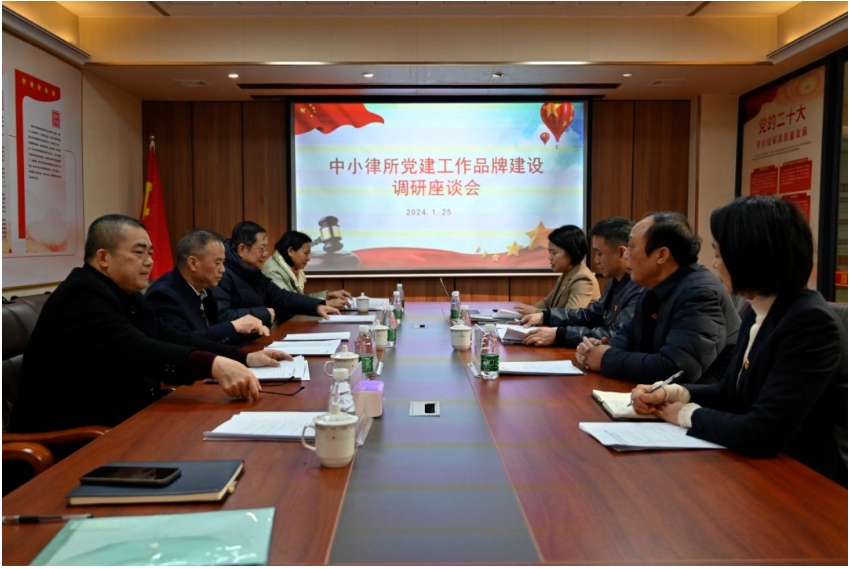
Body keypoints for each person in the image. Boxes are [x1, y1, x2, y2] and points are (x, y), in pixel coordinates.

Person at [631, 197, 847, 486]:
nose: (715, 264)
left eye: (719, 254)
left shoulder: (809, 322)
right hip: (759, 469)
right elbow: (731, 392)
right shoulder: (758, 308)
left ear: (749, 256)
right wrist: (674, 393)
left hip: (807, 481)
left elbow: (763, 432)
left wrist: (685, 414)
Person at [9, 215, 292, 433]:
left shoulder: (126, 294)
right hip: (77, 437)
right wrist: (214, 365)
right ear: (103, 257)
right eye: (139, 253)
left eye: (151, 253)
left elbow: (170, 337)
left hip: (126, 418)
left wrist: (243, 357)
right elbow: (136, 348)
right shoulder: (80, 295)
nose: (149, 262)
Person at [577, 212, 740, 384]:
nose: (625, 256)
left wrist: (605, 358)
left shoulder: (700, 294)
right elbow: (629, 335)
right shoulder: (654, 287)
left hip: (698, 397)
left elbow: (676, 368)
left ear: (661, 255)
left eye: (631, 247)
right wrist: (601, 348)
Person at [520, 217, 643, 348]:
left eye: (599, 254)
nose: (596, 260)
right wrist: (545, 316)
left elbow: (615, 335)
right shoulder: (614, 282)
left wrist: (560, 334)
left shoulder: (639, 288)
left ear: (622, 252)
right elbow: (590, 315)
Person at [146, 229, 269, 345]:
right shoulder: (163, 295)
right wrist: (234, 327)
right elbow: (182, 343)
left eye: (223, 263)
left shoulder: (205, 290)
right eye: (217, 263)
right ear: (193, 263)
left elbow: (212, 334)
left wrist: (249, 331)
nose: (223, 269)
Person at [211, 221, 339, 327]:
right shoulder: (221, 274)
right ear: (242, 249)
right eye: (262, 248)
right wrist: (263, 314)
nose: (265, 254)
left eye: (266, 248)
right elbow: (222, 316)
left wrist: (315, 306)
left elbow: (281, 296)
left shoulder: (252, 272)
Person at [514, 225, 600, 316]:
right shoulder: (566, 274)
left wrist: (535, 312)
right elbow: (546, 303)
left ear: (571, 252)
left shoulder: (583, 279)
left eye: (554, 253)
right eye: (549, 252)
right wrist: (525, 312)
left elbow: (570, 316)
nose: (550, 257)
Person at [262, 231, 352, 310]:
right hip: (281, 323)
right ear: (290, 251)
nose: (308, 258)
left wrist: (327, 295)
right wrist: (324, 304)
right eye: (305, 253)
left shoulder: (293, 267)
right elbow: (287, 303)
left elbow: (301, 299)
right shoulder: (273, 270)